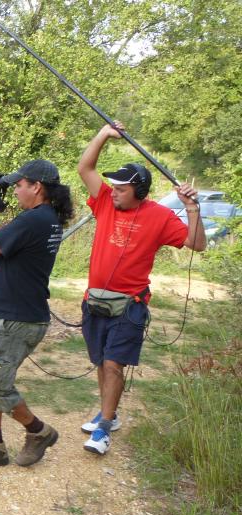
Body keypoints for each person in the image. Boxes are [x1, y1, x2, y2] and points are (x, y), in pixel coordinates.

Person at [76, 122, 205, 455]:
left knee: (112, 364)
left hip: (129, 305)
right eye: (113, 186)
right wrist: (104, 134)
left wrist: (192, 207)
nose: (114, 191)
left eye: (121, 188)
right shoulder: (104, 201)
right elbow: (84, 167)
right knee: (101, 361)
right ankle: (110, 414)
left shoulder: (159, 217)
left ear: (139, 191)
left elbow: (196, 244)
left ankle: (103, 428)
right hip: (95, 301)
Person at [0, 159, 74, 468]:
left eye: (20, 185)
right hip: (13, 314)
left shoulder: (34, 220)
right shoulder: (42, 218)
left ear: (37, 187)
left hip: (17, 318)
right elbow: (2, 239)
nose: (16, 190)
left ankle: (39, 431)